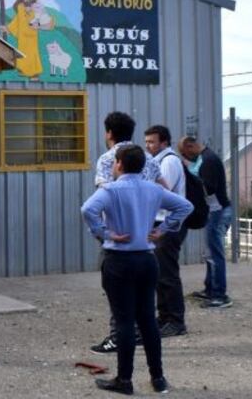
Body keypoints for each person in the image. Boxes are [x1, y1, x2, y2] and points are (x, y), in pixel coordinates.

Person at [82, 144, 192, 395]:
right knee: (148, 320)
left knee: (124, 320)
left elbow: (88, 209)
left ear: (119, 164)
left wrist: (104, 233)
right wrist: (162, 230)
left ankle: (124, 379)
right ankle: (158, 378)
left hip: (118, 259)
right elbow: (185, 206)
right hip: (146, 259)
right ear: (143, 165)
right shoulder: (153, 189)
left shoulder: (110, 190)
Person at [91, 112, 169, 355]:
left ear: (109, 133)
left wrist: (103, 231)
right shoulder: (147, 158)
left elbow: (102, 195)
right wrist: (160, 226)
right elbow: (165, 189)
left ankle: (119, 336)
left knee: (116, 285)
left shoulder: (108, 159)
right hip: (144, 229)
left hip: (118, 231)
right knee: (142, 286)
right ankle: (139, 334)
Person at [144, 125, 188, 337]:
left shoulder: (168, 161)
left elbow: (163, 192)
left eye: (152, 142)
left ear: (164, 142)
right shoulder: (157, 161)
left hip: (168, 225)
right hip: (161, 223)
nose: (148, 146)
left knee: (167, 274)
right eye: (146, 142)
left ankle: (175, 321)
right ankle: (164, 317)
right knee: (160, 273)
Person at [179, 136, 233, 309]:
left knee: (215, 253)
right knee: (211, 252)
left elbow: (208, 187)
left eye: (185, 154)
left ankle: (219, 295)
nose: (186, 158)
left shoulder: (208, 160)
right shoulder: (206, 158)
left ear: (190, 146)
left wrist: (190, 176)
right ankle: (210, 289)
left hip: (218, 210)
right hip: (216, 210)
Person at [5, 0, 53, 79]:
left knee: (34, 74)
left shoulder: (37, 8)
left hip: (32, 47)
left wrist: (39, 26)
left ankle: (34, 76)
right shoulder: (20, 8)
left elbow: (49, 24)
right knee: (22, 71)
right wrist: (6, 29)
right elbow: (15, 23)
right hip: (22, 48)